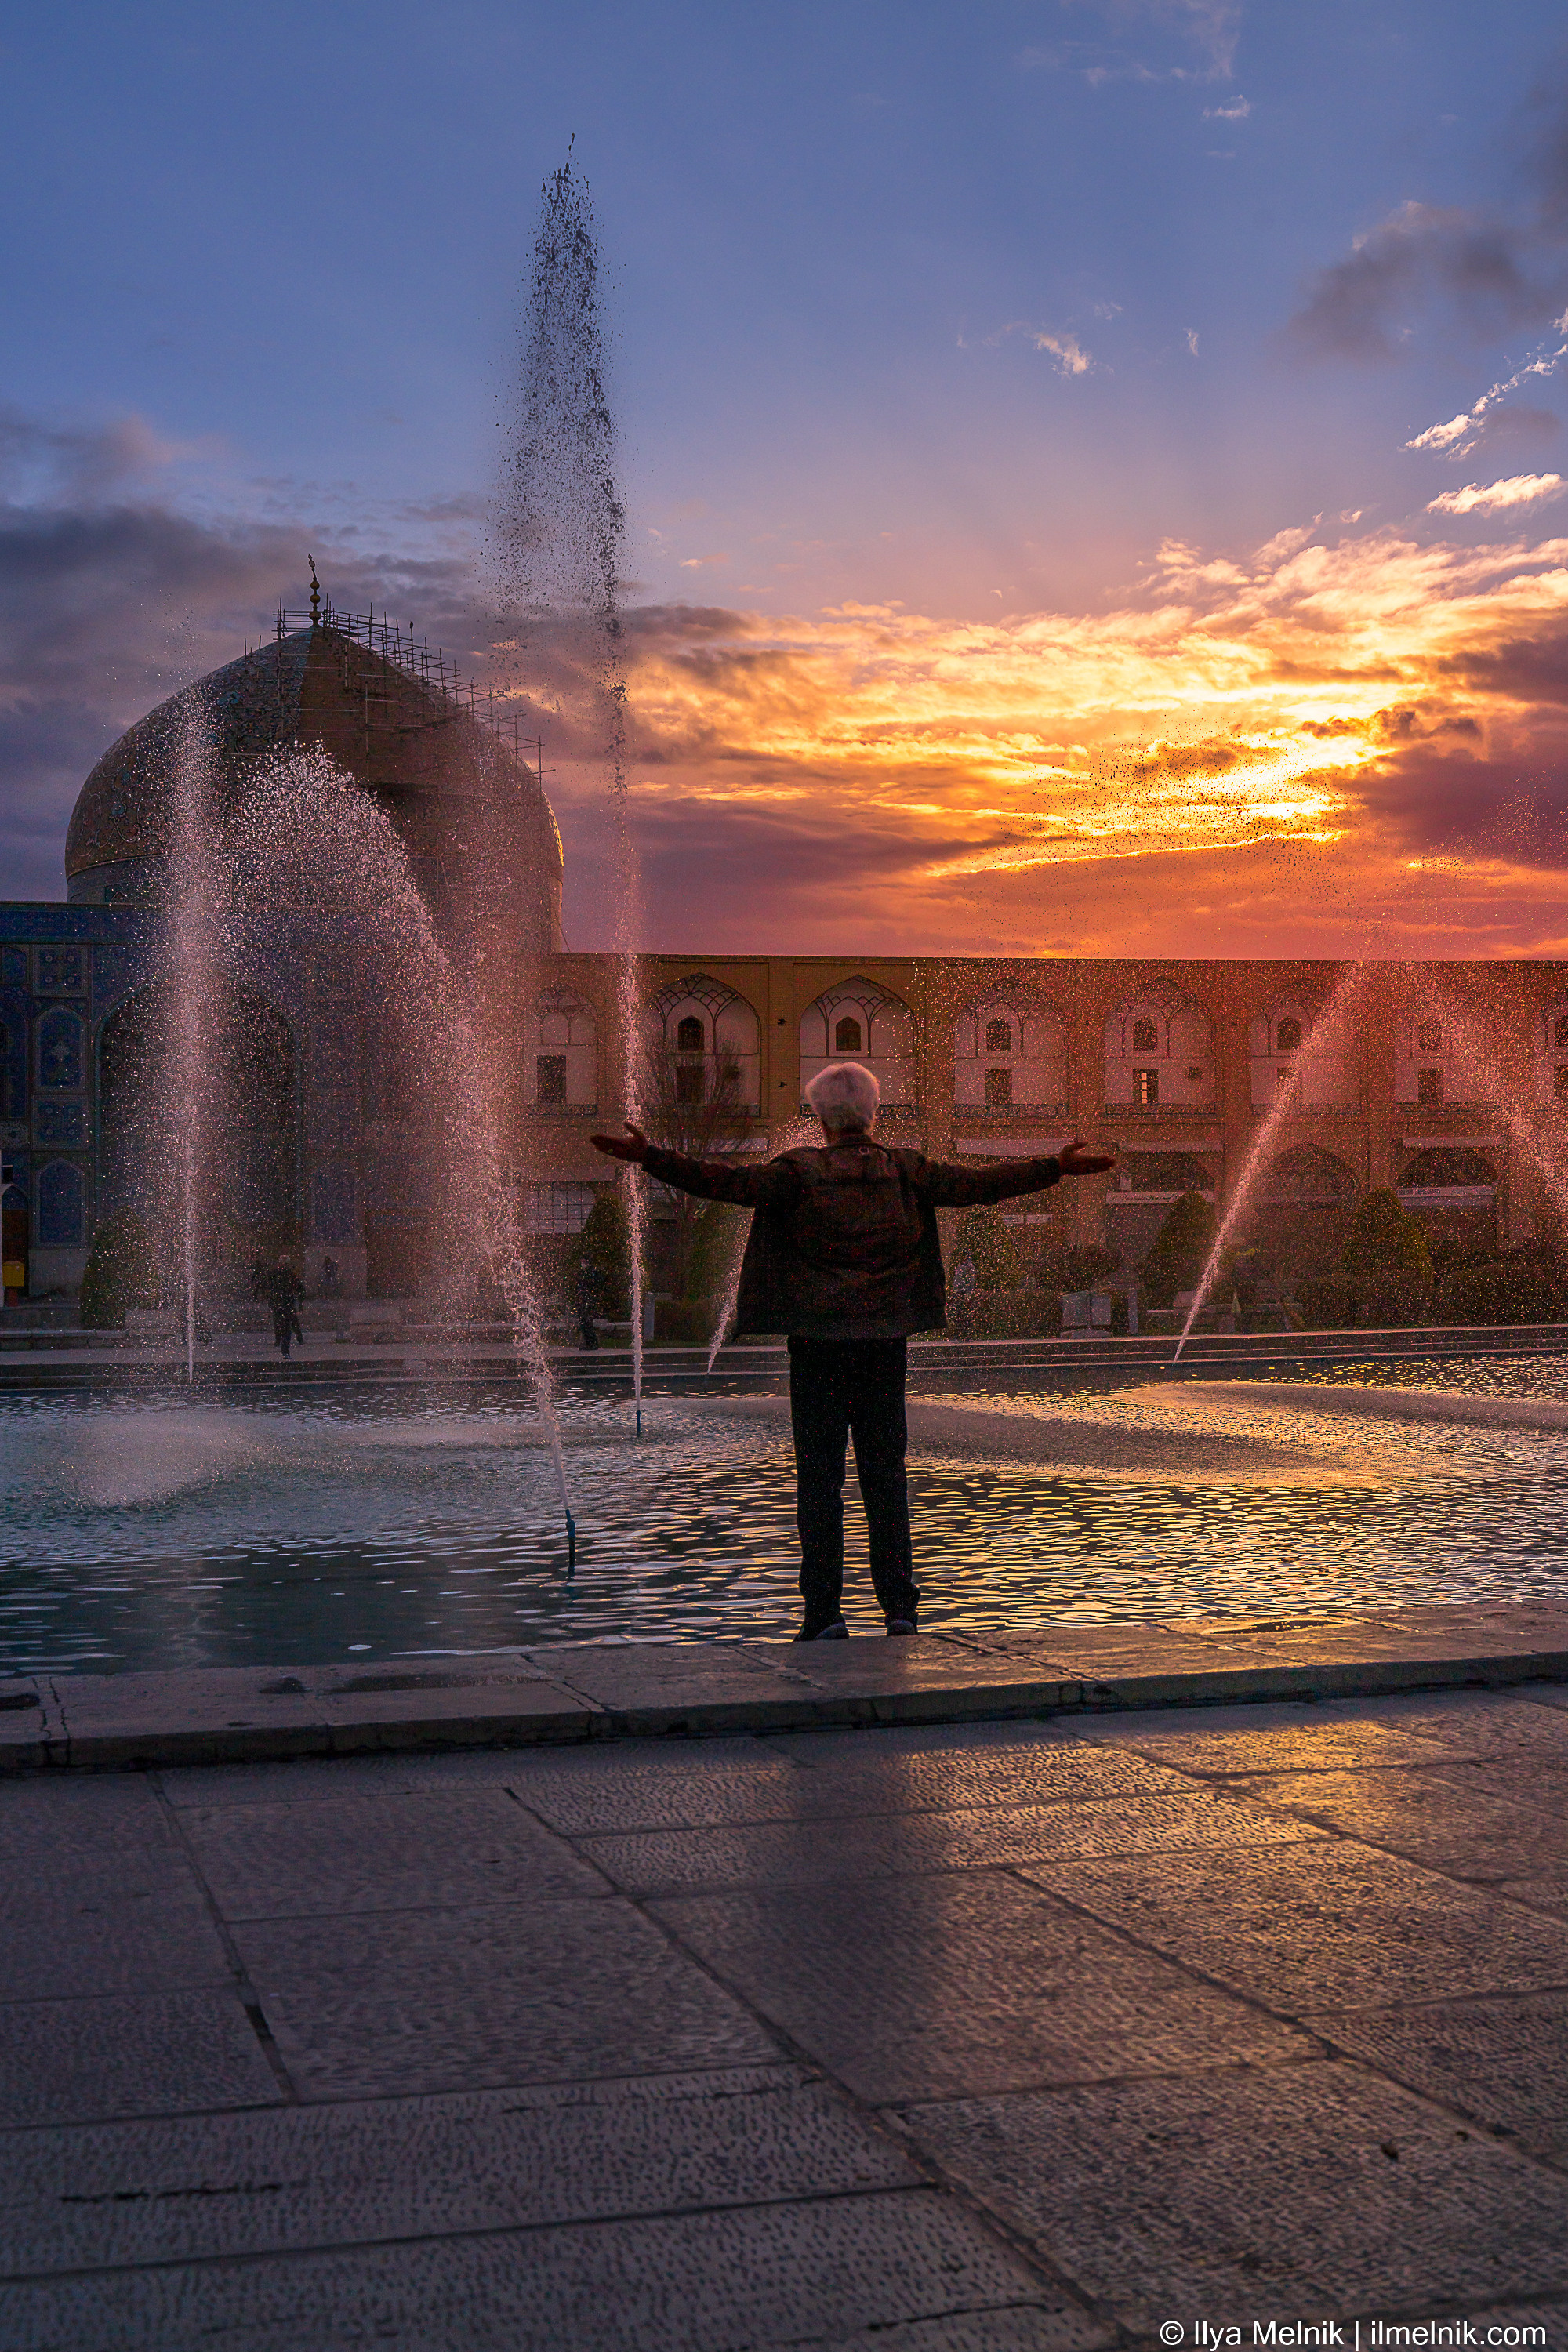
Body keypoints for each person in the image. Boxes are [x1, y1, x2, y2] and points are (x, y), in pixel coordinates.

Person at [593, 1063, 1116, 1640]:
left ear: (821, 1119)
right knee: (885, 1478)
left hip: (817, 1345)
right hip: (883, 1343)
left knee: (820, 1483)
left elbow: (726, 1183)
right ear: (873, 1113)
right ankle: (899, 1609)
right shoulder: (906, 1169)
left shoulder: (798, 1172)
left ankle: (824, 1615)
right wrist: (1054, 1167)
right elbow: (978, 1185)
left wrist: (651, 1157)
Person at [266, 1255, 305, 1359]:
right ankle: (285, 1348)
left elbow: (269, 1289)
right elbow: (300, 1289)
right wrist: (300, 1302)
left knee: (281, 1324)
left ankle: (281, 1343)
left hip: (279, 1303)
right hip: (286, 1303)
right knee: (287, 1326)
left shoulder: (274, 1274)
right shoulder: (291, 1275)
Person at [575, 1254, 604, 1351]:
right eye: (581, 1262)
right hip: (583, 1299)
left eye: (583, 1262)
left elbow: (595, 1284)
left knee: (587, 1321)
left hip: (589, 1299)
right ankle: (588, 1342)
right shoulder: (582, 1273)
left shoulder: (592, 1272)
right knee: (583, 1321)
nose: (582, 1264)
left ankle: (592, 1342)